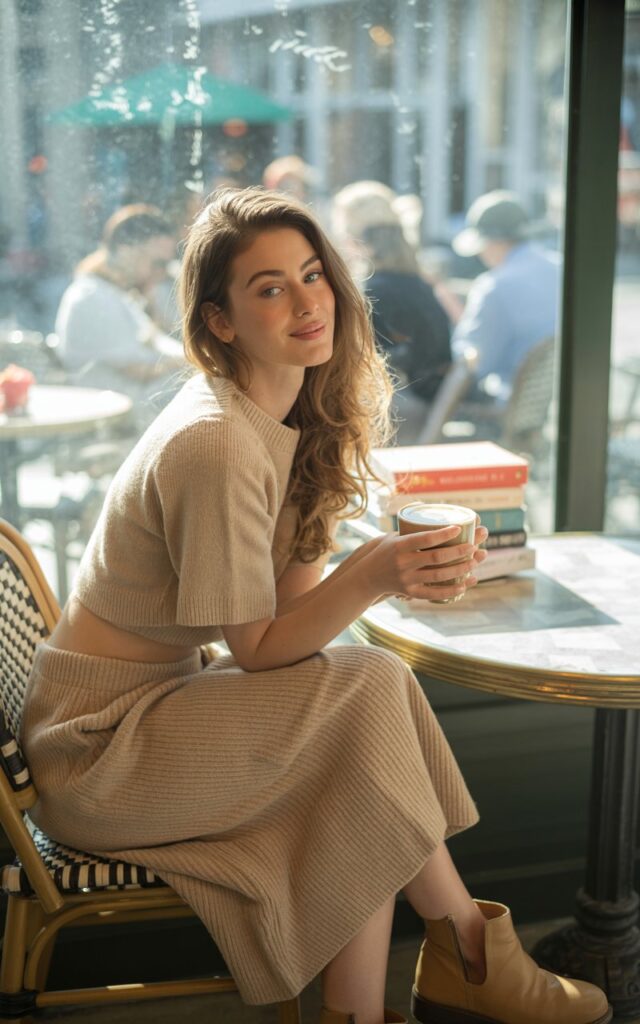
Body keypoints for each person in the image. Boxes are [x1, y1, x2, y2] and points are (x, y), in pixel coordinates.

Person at [22, 187, 610, 1024]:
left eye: (311, 274)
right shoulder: (217, 442)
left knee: (359, 723)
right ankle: (472, 953)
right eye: (269, 288)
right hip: (100, 752)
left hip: (159, 708)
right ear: (219, 321)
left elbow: (295, 622)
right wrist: (374, 572)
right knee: (365, 693)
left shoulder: (285, 411)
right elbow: (260, 649)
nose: (306, 301)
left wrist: (376, 564)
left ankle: (374, 1006)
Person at [331, 180, 452, 443]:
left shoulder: (376, 292)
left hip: (402, 411)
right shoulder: (415, 283)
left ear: (355, 239)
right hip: (428, 400)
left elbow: (362, 364)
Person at [55, 203, 186, 429]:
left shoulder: (114, 293)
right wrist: (193, 363)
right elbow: (139, 370)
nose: (163, 273)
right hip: (112, 414)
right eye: (158, 263)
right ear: (126, 250)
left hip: (132, 404)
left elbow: (156, 346)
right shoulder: (93, 299)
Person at [451, 190, 561, 402]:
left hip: (513, 404)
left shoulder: (494, 286)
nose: (479, 254)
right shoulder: (562, 268)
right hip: (558, 400)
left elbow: (475, 364)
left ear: (495, 241)